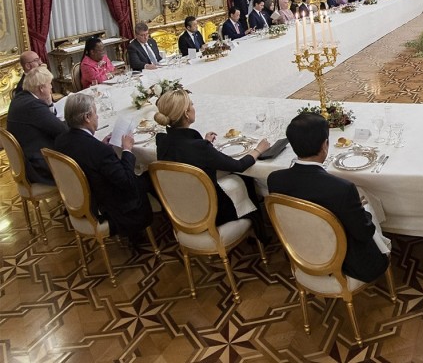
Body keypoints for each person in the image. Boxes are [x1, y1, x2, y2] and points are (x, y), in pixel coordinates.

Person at [267, 113, 390, 281]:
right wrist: (363, 210)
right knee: (369, 207)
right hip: (348, 264)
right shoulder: (342, 188)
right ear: (325, 145)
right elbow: (364, 233)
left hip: (301, 255)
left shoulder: (275, 179)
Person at [155, 90, 270, 231]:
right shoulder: (199, 148)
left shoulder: (162, 141)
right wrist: (258, 150)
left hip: (181, 207)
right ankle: (260, 229)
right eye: (191, 104)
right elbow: (238, 166)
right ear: (186, 113)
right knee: (244, 179)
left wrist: (203, 143)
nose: (193, 107)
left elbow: (183, 153)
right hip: (211, 211)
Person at [55, 93, 154, 246]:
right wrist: (127, 150)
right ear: (87, 117)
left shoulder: (61, 140)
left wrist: (101, 144)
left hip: (81, 200)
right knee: (150, 175)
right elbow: (127, 182)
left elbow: (86, 156)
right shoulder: (99, 151)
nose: (98, 117)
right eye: (95, 112)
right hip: (108, 207)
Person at [7, 66, 65, 184]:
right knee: (82, 154)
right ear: (41, 88)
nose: (51, 87)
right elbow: (61, 130)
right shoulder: (33, 106)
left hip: (27, 156)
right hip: (38, 166)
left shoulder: (20, 97)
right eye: (49, 84)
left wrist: (49, 104)